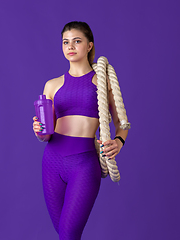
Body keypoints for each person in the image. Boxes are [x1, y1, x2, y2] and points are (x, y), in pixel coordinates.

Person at [32, 21, 129, 240]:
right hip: (52, 162)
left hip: (84, 164)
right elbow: (46, 133)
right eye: (66, 42)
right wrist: (39, 130)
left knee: (69, 234)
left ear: (89, 46)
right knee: (65, 235)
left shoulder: (102, 83)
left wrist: (118, 142)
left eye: (77, 41)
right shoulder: (52, 85)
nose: (70, 46)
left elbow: (122, 123)